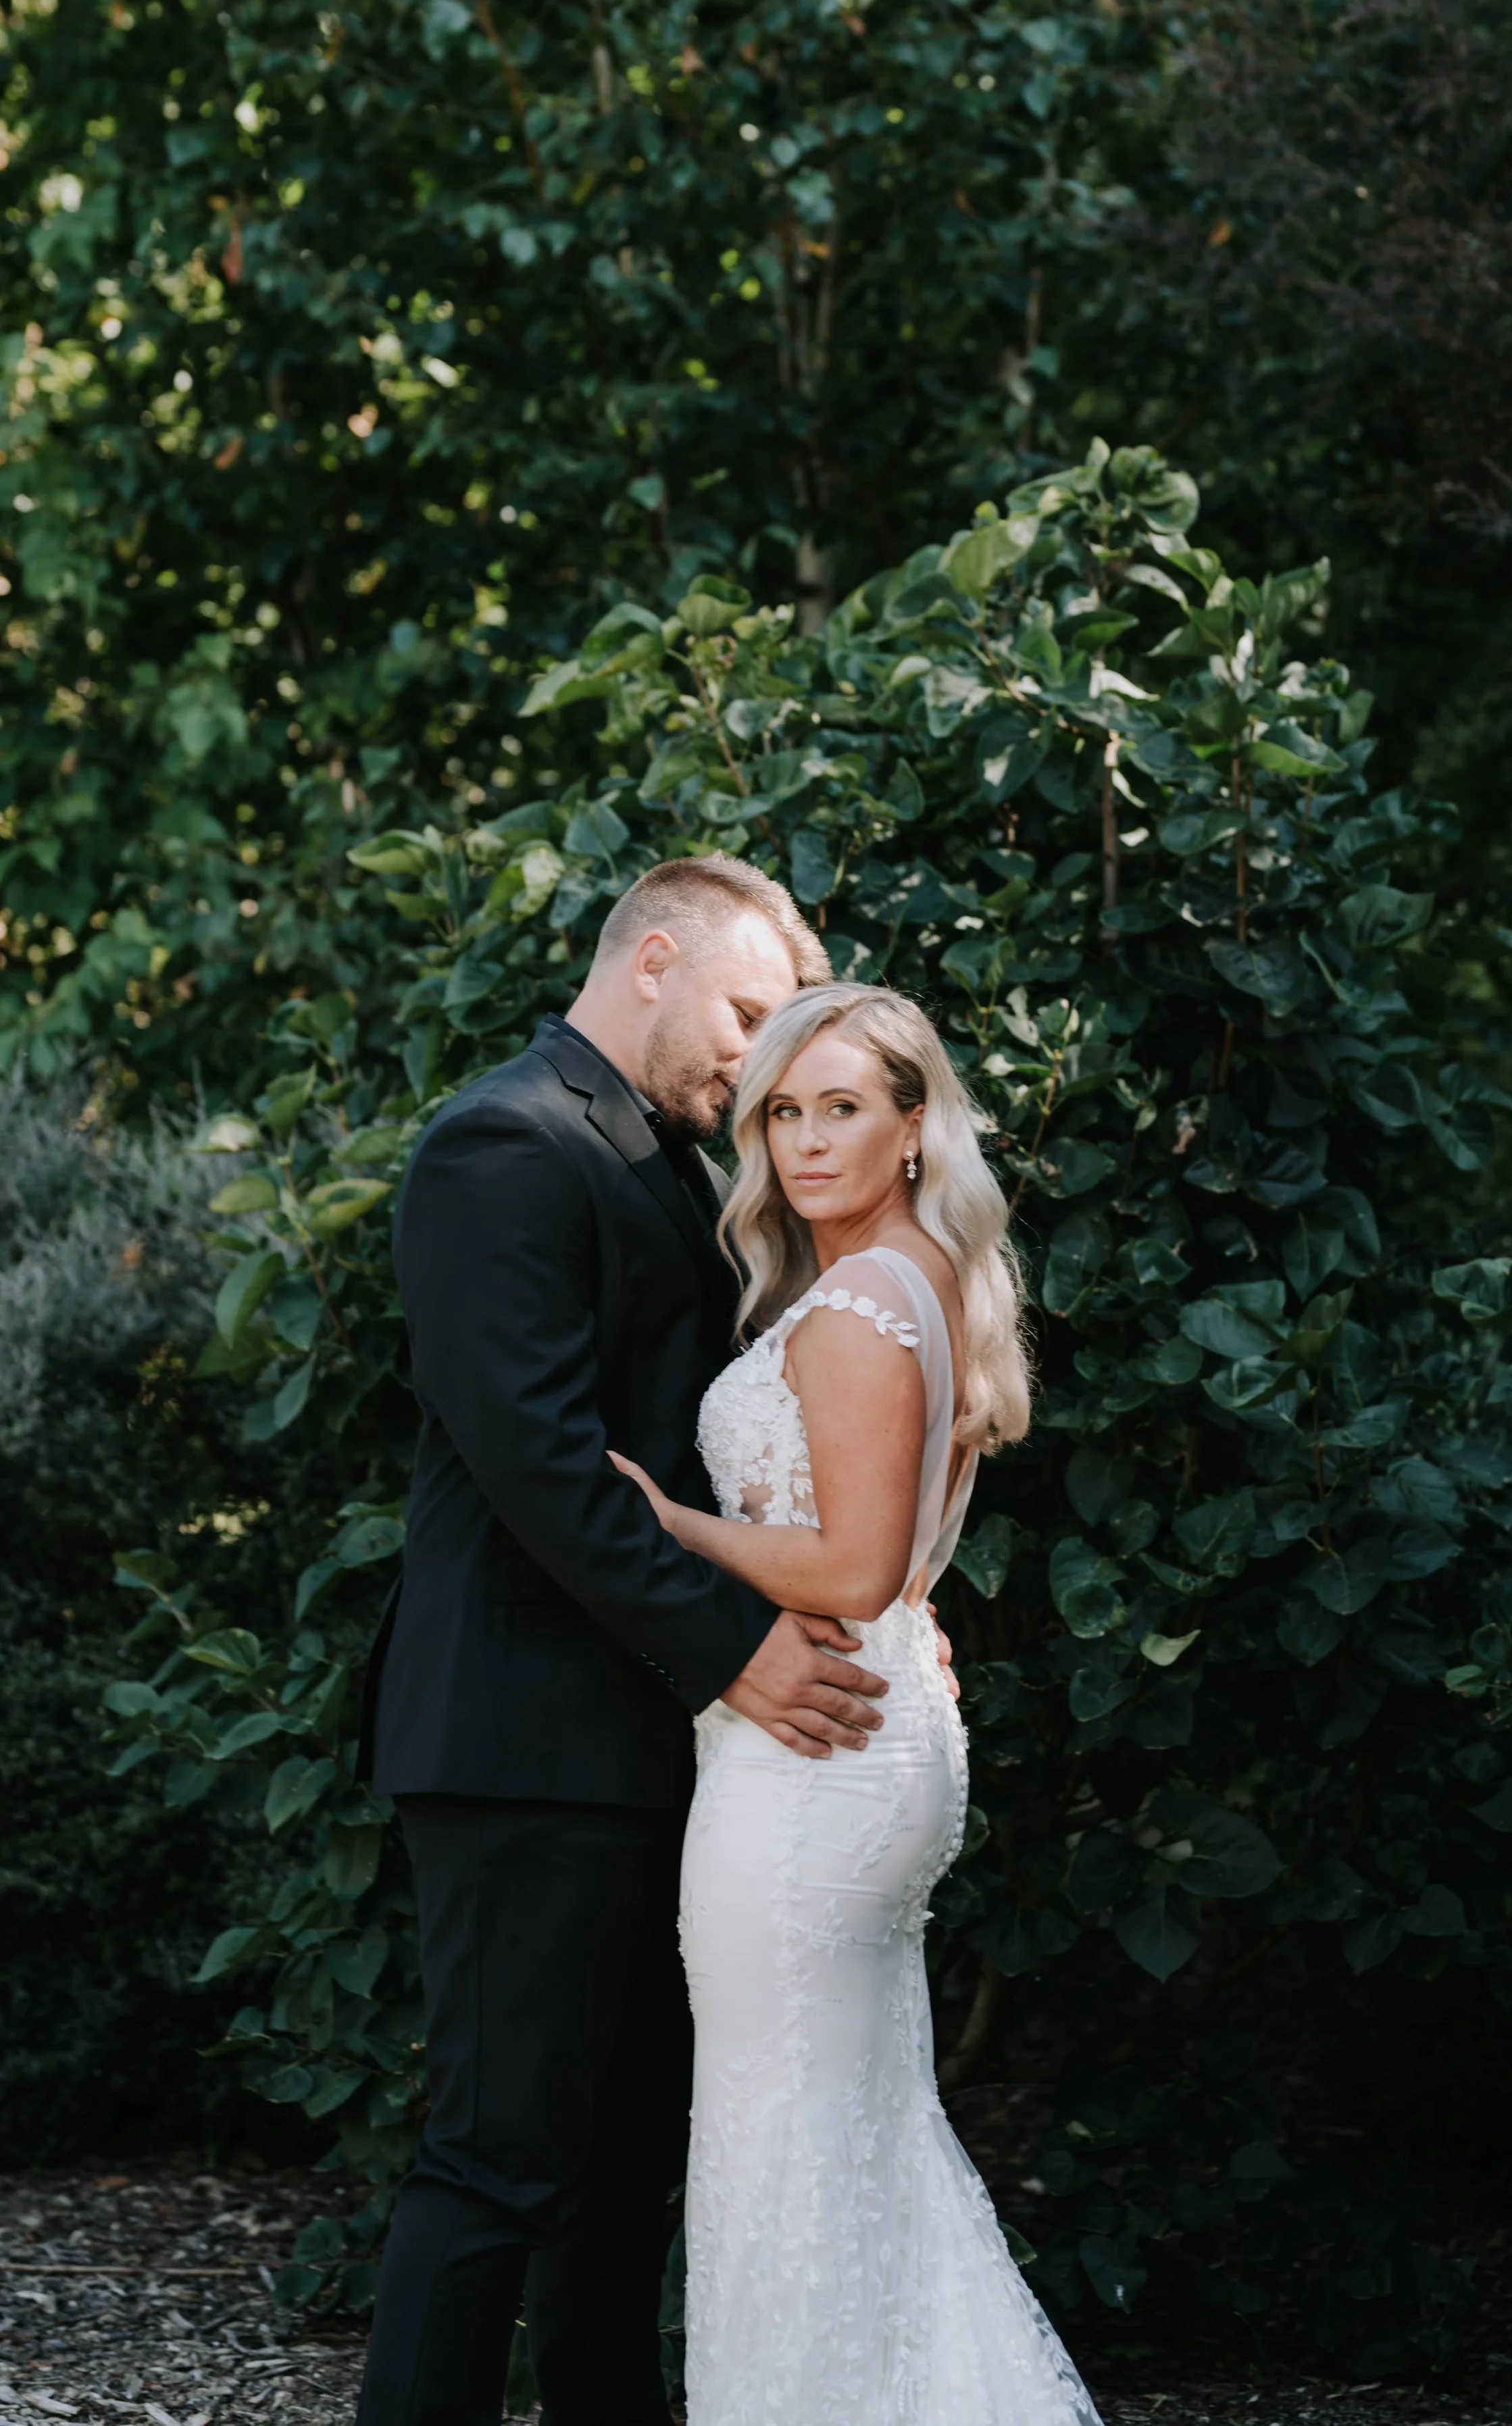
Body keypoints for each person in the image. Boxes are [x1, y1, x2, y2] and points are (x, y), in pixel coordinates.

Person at [353, 856, 903, 2426]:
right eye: (744, 1009)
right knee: (495, 2166)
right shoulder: (500, 1145)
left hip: (673, 1754)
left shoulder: (683, 1167)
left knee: (622, 2181)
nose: (759, 1053)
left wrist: (879, 1612)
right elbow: (542, 1466)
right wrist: (736, 1651)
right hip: (521, 1742)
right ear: (650, 959)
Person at [611, 984, 1105, 2426]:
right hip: (862, 1738)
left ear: (910, 1129)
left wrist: (665, 1521)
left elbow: (854, 1564)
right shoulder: (902, 1279)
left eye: (844, 1108)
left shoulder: (856, 1304)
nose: (808, 1141)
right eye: (782, 1111)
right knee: (847, 2138)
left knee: (780, 2147)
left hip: (813, 1760)